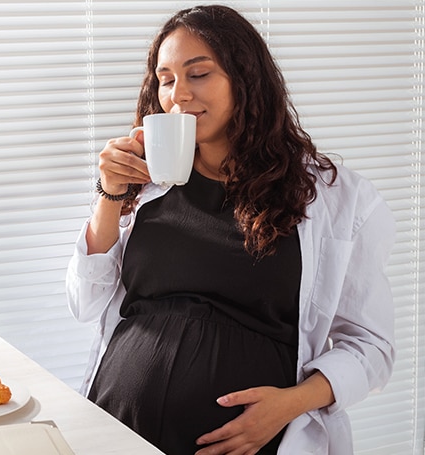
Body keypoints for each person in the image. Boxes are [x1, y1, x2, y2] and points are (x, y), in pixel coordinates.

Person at [65, 5, 395, 455]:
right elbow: (85, 304)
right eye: (166, 79)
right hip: (118, 430)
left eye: (198, 74)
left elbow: (371, 348)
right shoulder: (144, 184)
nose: (178, 95)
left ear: (245, 79)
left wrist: (289, 405)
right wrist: (110, 195)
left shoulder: (334, 198)